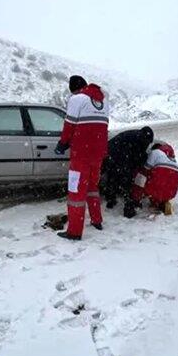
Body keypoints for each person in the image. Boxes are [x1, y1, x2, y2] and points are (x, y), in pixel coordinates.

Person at [54, 75, 109, 241]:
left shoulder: (77, 99)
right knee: (92, 188)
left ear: (74, 89)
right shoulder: (104, 101)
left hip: (81, 155)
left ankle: (74, 232)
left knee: (76, 192)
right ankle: (97, 220)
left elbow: (69, 125)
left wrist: (62, 144)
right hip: (98, 154)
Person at [101, 126, 154, 218]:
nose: (148, 144)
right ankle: (128, 209)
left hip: (108, 153)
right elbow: (137, 158)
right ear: (147, 138)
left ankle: (111, 199)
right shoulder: (140, 140)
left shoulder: (134, 135)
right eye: (148, 142)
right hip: (117, 155)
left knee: (112, 176)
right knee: (126, 181)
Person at [131, 142, 178, 215]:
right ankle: (161, 202)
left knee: (142, 177)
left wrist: (136, 194)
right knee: (159, 188)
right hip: (171, 193)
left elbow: (145, 170)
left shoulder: (156, 152)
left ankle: (136, 200)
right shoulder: (173, 161)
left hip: (157, 185)